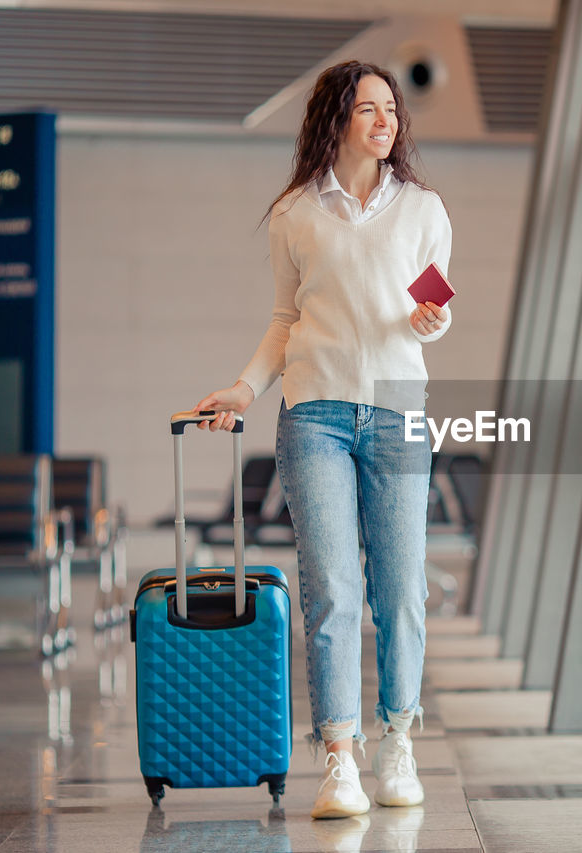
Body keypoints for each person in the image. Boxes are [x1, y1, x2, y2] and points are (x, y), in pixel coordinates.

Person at [194, 60, 451, 820]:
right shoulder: (295, 214)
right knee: (333, 589)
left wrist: (434, 318)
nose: (384, 120)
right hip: (315, 416)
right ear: (335, 118)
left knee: (402, 588)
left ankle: (397, 739)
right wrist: (245, 385)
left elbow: (433, 298)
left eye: (391, 109)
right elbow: (284, 320)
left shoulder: (424, 209)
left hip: (399, 409)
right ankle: (340, 757)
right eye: (367, 108)